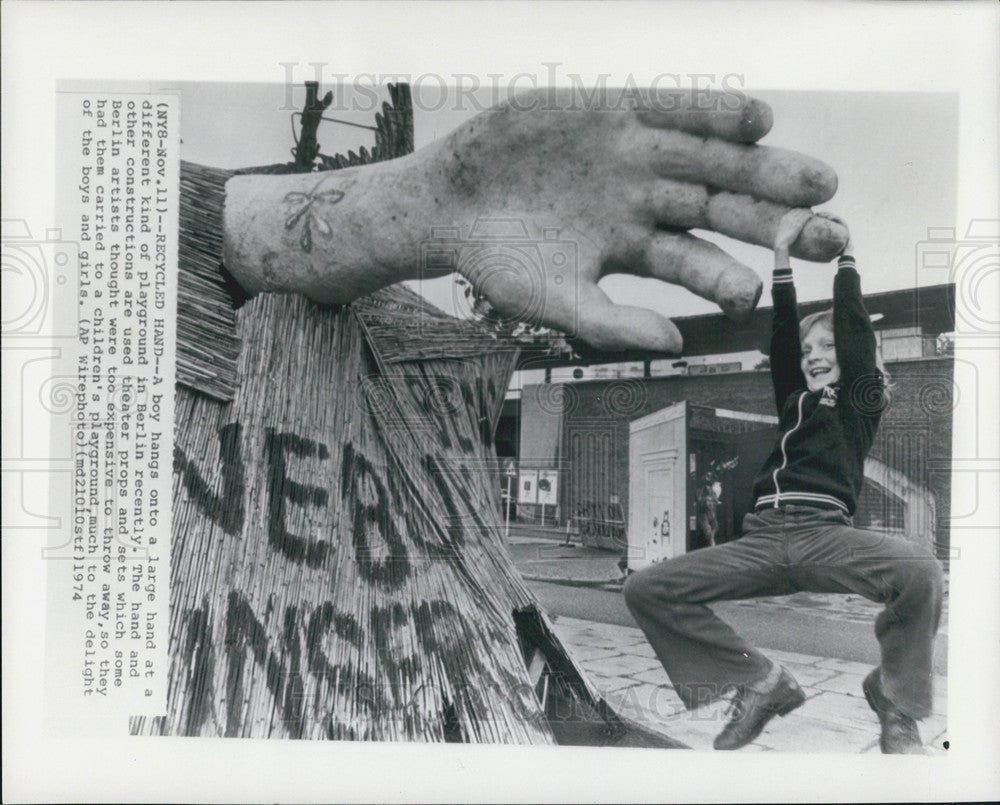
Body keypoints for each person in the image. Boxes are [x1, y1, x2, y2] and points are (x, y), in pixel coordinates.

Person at [623, 208, 944, 753]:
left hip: (826, 538)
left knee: (921, 571)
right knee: (646, 588)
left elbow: (854, 328)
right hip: (763, 539)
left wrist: (846, 257)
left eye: (827, 347)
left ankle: (895, 701)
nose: (815, 356)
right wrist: (778, 253)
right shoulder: (794, 399)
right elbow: (781, 328)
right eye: (807, 351)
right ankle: (762, 683)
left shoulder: (862, 399)